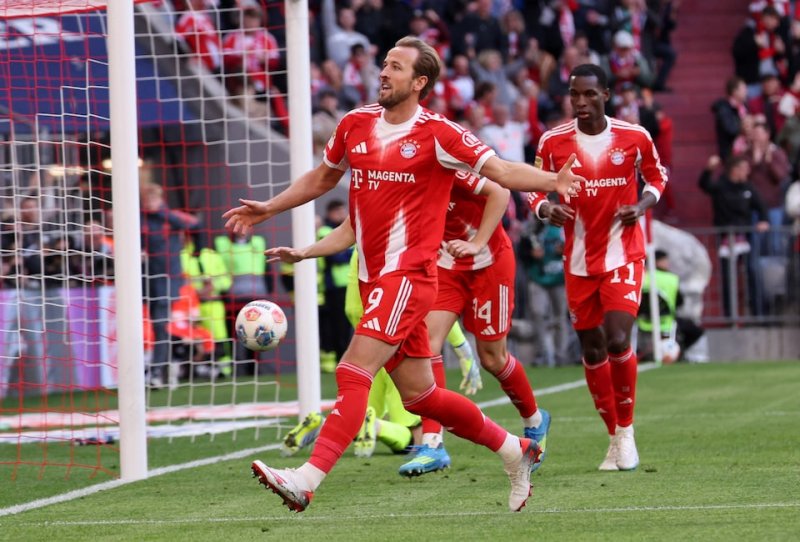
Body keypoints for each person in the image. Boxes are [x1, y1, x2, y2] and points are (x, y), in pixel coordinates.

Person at [223, 36, 582, 513]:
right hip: (374, 278)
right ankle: (515, 451)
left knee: (354, 371)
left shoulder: (439, 133)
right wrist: (270, 209)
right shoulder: (355, 125)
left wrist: (551, 181)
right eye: (384, 65)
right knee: (422, 396)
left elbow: (500, 172)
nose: (383, 73)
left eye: (395, 67)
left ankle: (305, 480)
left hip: (409, 277)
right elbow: (323, 178)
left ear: (420, 82)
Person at [527, 63, 668, 472]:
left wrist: (641, 206)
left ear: (606, 94)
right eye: (575, 95)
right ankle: (613, 436)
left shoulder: (634, 136)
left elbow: (658, 177)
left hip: (623, 253)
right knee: (591, 349)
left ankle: (626, 430)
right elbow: (534, 186)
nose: (581, 102)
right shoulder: (553, 142)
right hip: (577, 260)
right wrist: (544, 208)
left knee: (618, 339)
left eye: (590, 94)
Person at [398, 172, 552, 478]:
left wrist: (477, 242)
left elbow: (500, 192)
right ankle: (433, 443)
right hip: (446, 267)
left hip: (489, 262)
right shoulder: (399, 170)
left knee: (493, 358)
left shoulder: (446, 156)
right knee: (426, 344)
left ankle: (535, 420)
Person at [637, 249, 705, 363]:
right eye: (665, 261)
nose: (667, 264)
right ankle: (681, 353)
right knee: (695, 330)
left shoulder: (641, 278)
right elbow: (679, 302)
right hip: (666, 323)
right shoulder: (671, 279)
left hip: (642, 323)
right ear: (659, 262)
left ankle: (646, 353)